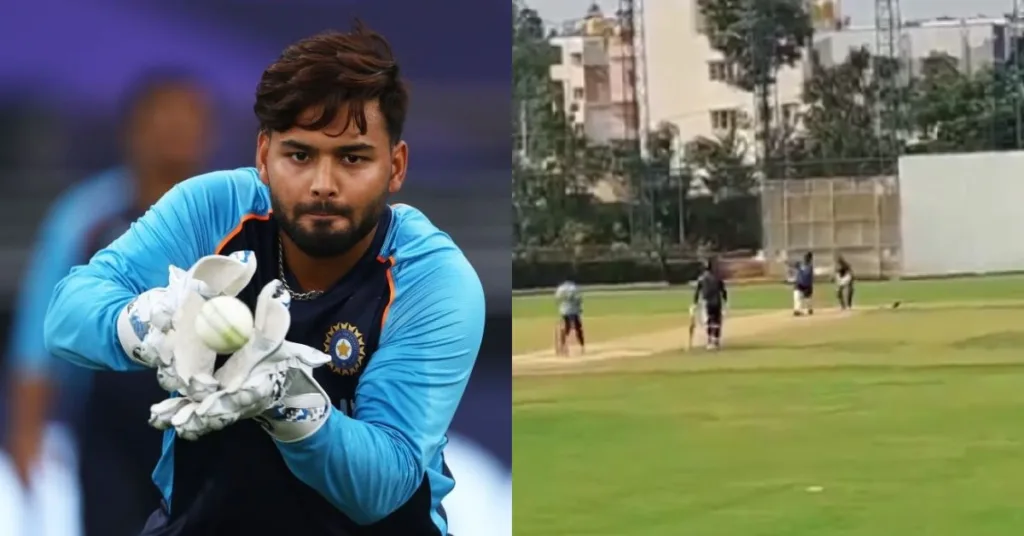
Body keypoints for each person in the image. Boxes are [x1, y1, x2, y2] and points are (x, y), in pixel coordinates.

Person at [43, 21, 485, 536]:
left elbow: (379, 489)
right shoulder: (213, 209)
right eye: (299, 155)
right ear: (263, 157)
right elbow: (67, 314)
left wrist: (282, 397)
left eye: (353, 158)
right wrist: (147, 326)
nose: (324, 184)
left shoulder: (431, 277)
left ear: (396, 165)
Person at [1, 71, 213, 536]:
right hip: (109, 426)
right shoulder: (86, 217)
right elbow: (41, 330)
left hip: (208, 419)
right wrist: (25, 430)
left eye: (189, 119)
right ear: (132, 131)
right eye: (163, 118)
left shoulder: (231, 215)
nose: (175, 131)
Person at [691, 258, 728, 350]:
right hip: (717, 302)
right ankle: (716, 340)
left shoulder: (701, 278)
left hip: (707, 303)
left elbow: (697, 292)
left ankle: (710, 341)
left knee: (709, 322)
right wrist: (725, 301)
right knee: (717, 321)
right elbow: (723, 291)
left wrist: (694, 303)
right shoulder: (718, 278)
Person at [554, 278, 584, 356]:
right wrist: (579, 307)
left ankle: (562, 345)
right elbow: (578, 299)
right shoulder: (573, 288)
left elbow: (557, 299)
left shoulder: (560, 288)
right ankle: (581, 345)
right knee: (578, 327)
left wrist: (560, 307)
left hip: (564, 310)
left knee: (565, 328)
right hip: (573, 310)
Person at [792, 252, 815, 316]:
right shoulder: (800, 264)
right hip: (799, 284)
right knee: (796, 296)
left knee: (808, 300)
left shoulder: (810, 267)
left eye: (807, 258)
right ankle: (797, 310)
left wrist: (799, 267)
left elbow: (806, 273)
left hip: (807, 285)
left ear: (810, 259)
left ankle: (809, 309)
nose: (806, 259)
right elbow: (793, 265)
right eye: (805, 258)